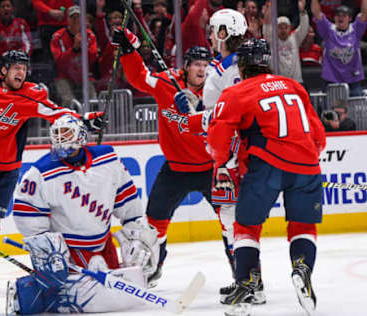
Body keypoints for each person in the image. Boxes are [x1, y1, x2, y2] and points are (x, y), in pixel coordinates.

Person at [0, 17, 105, 286]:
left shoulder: (30, 94)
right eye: (15, 68)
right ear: (3, 70)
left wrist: (86, 119)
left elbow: (57, 113)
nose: (20, 73)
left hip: (7, 169)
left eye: (24, 68)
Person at [207, 38, 326, 316]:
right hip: (307, 165)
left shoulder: (236, 93)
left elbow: (217, 140)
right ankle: (302, 268)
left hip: (266, 166)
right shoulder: (294, 86)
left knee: (246, 226)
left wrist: (223, 161)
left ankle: (247, 282)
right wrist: (307, 159)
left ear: (243, 65)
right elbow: (318, 136)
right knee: (303, 226)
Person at [7, 114, 159, 314]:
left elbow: (127, 198)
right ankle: (25, 293)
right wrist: (45, 248)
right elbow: (27, 212)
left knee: (125, 297)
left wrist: (136, 233)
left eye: (66, 133)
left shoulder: (107, 159)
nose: (61, 139)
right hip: (69, 251)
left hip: (104, 245)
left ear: (80, 136)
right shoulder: (41, 172)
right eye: (57, 134)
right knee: (85, 300)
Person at [113, 26, 215, 287]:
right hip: (175, 169)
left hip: (212, 169)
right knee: (153, 225)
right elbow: (139, 77)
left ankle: (244, 273)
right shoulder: (168, 83)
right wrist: (128, 50)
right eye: (196, 65)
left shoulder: (218, 89)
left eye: (205, 65)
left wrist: (199, 107)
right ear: (187, 67)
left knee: (231, 220)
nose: (201, 70)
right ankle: (153, 267)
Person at [189, 8, 268, 304]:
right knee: (231, 217)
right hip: (233, 151)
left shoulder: (232, 68)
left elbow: (233, 113)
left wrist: (200, 115)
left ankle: (251, 283)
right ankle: (245, 279)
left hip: (234, 153)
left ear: (223, 32)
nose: (211, 36)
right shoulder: (229, 64)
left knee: (235, 218)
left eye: (214, 30)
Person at [311, 0, 367, 97]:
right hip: (332, 79)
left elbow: (364, 13)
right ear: (334, 18)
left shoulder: (355, 30)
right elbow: (317, 14)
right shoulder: (328, 30)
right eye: (338, 15)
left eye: (344, 16)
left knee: (357, 109)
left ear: (349, 18)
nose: (340, 18)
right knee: (332, 110)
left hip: (353, 78)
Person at [50, 5, 98, 106]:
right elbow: (59, 62)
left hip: (84, 75)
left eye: (78, 17)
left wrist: (84, 48)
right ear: (67, 19)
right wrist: (74, 49)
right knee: (68, 101)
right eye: (73, 17)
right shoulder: (58, 37)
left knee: (93, 99)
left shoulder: (90, 35)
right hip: (64, 76)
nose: (76, 20)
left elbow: (93, 58)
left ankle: (93, 120)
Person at [262, 0, 308, 83]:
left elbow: (304, 26)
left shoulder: (295, 38)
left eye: (285, 27)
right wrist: (270, 5)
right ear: (275, 29)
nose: (283, 30)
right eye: (280, 27)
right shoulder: (271, 39)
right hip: (278, 82)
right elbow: (266, 23)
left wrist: (302, 11)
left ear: (290, 28)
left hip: (296, 81)